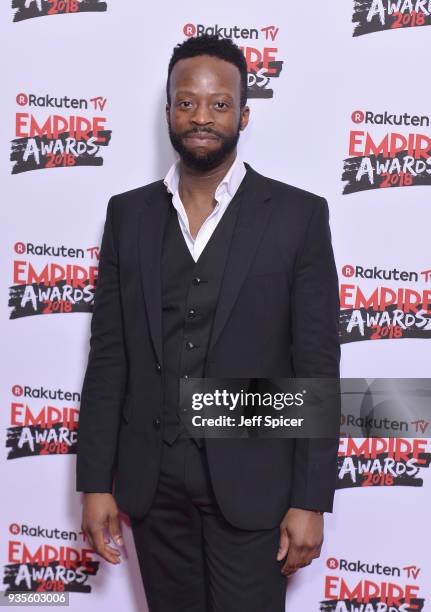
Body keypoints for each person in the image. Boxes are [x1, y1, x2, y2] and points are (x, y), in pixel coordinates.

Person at [76, 33, 340, 612]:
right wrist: (95, 482)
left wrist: (311, 499)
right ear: (168, 109)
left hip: (255, 488)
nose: (202, 116)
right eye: (187, 101)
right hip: (153, 486)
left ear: (243, 114)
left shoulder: (298, 217)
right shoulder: (128, 216)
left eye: (219, 104)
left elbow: (316, 366)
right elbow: (110, 356)